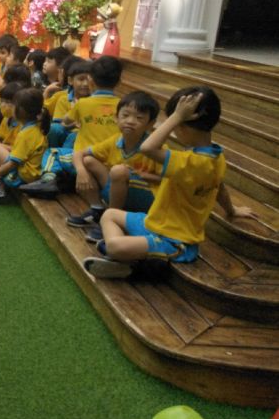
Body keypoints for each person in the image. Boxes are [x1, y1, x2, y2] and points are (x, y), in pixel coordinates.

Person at [83, 87, 255, 279]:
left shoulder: (188, 162)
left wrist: (177, 116)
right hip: (155, 223)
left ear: (181, 126)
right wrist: (232, 210)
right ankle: (132, 259)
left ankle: (135, 265)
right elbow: (219, 187)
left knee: (114, 246)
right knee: (110, 214)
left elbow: (147, 148)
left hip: (175, 240)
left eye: (175, 124)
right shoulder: (216, 156)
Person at [66, 91, 162, 242]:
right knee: (88, 161)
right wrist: (81, 172)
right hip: (120, 192)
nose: (130, 121)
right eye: (125, 115)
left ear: (150, 124)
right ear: (116, 118)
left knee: (118, 171)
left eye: (139, 118)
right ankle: (97, 209)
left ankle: (109, 222)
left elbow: (169, 179)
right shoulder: (116, 140)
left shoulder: (155, 148)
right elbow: (79, 154)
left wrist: (141, 175)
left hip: (146, 199)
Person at [20, 56, 123, 197]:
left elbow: (66, 120)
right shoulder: (122, 105)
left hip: (84, 159)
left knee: (53, 153)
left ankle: (48, 180)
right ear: (119, 82)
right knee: (69, 136)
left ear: (91, 80)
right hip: (112, 161)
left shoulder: (83, 103)